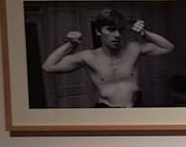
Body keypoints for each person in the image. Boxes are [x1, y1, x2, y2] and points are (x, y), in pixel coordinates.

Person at [40, 8, 175, 107]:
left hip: (136, 107)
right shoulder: (89, 56)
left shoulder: (134, 48)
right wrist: (70, 44)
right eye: (111, 30)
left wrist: (145, 33)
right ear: (98, 31)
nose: (117, 35)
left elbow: (168, 47)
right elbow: (48, 66)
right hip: (106, 111)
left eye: (120, 30)